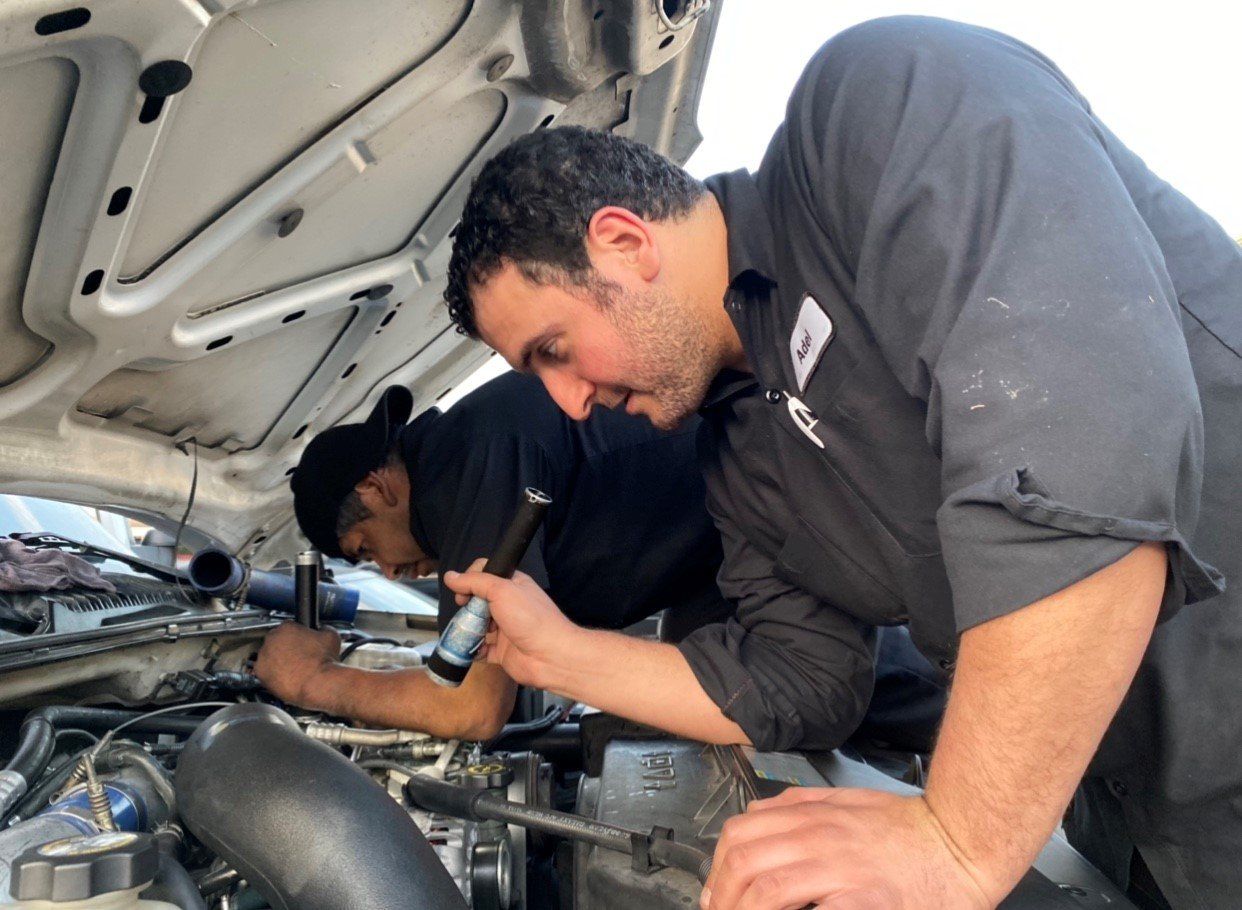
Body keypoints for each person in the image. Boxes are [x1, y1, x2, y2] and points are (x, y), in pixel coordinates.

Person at [437, 16, 1241, 910]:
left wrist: (957, 841)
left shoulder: (880, 105)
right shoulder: (742, 460)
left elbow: (1080, 445)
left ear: (625, 242)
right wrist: (559, 655)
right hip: (1137, 827)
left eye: (553, 350)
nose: (567, 404)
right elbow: (802, 684)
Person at [254, 372, 732, 740]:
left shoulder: (461, 467)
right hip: (722, 561)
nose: (389, 572)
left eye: (366, 548)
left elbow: (470, 708)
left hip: (757, 529)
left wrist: (313, 682)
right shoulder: (466, 444)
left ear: (375, 488)